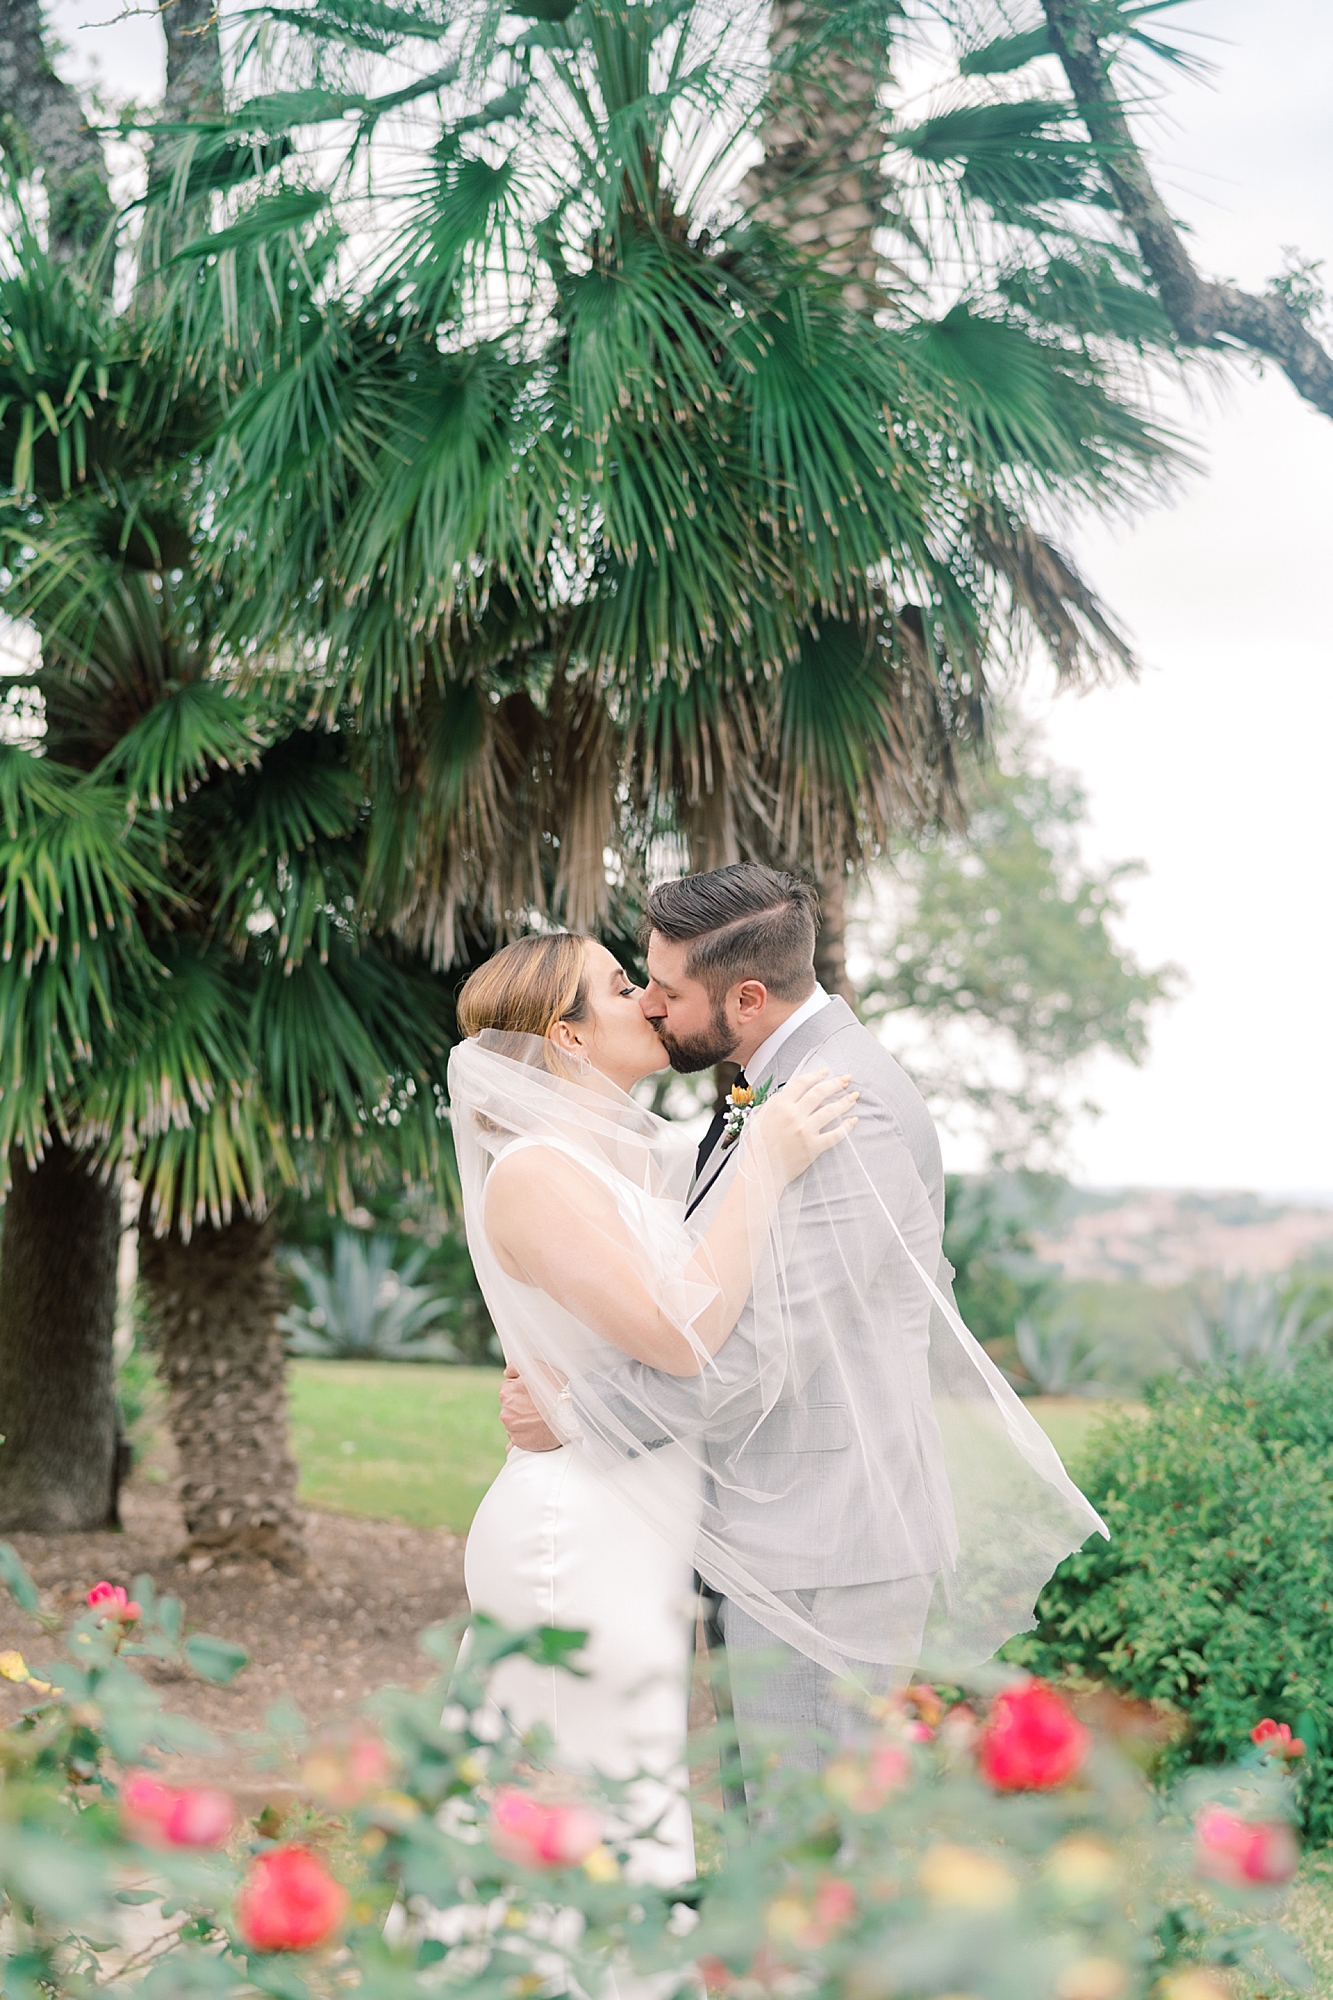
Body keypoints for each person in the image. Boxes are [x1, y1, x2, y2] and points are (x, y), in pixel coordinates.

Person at [497, 864, 1105, 1798]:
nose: (652, 1007)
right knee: (765, 1848)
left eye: (666, 990)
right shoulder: (777, 1086)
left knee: (806, 1858)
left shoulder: (838, 1109)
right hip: (776, 1532)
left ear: (746, 996)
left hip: (825, 1544)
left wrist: (577, 1410)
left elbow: (750, 1359)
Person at [449, 931, 856, 1881]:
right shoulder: (535, 1173)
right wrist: (766, 1164)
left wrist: (572, 1396)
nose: (650, 998)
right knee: (574, 1803)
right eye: (621, 986)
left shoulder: (650, 1160)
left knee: (629, 1793)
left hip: (646, 1517)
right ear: (570, 1036)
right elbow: (677, 1336)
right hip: (577, 1528)